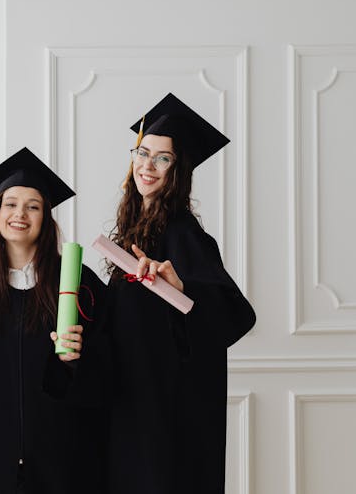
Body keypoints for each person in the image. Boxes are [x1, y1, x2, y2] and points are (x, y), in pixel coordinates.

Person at [105, 93, 256, 493]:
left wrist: (183, 288)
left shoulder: (185, 234)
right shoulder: (136, 234)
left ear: (178, 170)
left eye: (162, 158)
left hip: (168, 422)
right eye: (142, 152)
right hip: (132, 409)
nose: (147, 166)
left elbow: (238, 314)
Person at [0, 148, 108, 494]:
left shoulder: (77, 283)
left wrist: (78, 361)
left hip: (69, 449)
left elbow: (113, 359)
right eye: (10, 204)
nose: (20, 214)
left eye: (33, 206)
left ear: (46, 218)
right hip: (1, 449)